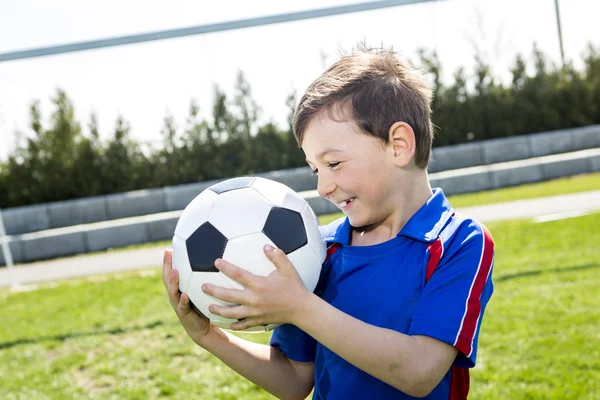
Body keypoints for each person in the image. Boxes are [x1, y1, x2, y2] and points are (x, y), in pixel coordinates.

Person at [162, 44, 494, 400]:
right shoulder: (320, 249)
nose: (323, 186)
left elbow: (419, 371)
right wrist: (210, 336)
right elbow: (293, 381)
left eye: (333, 164)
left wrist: (301, 307)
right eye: (315, 169)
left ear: (398, 145)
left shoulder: (459, 242)